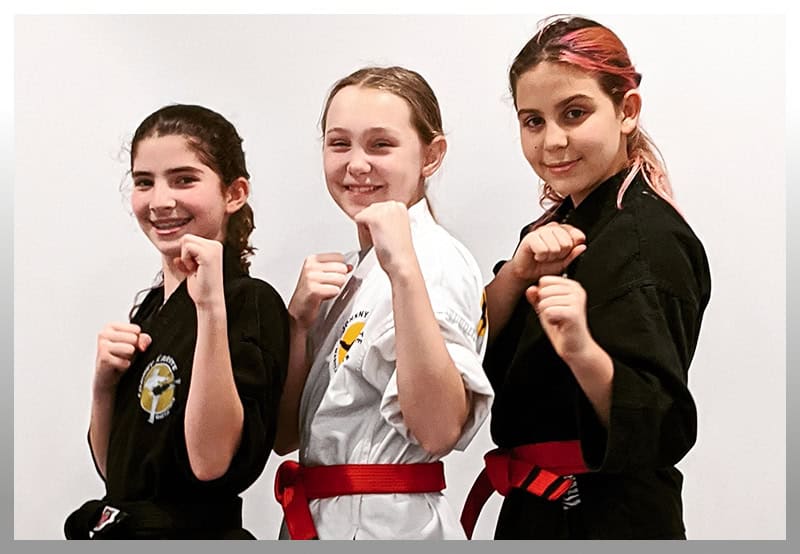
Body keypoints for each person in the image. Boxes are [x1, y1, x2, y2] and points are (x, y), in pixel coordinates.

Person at [460, 16, 711, 539]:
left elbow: (661, 423)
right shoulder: (552, 230)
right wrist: (518, 274)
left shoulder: (648, 239)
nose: (553, 141)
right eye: (533, 121)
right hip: (538, 509)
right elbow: (466, 353)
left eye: (574, 113)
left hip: (606, 519)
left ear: (627, 110)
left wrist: (581, 348)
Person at [273, 66, 494, 540]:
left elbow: (438, 432)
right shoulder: (353, 271)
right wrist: (297, 324)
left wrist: (406, 274)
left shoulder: (432, 262)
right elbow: (285, 437)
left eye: (380, 145)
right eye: (339, 144)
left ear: (431, 155)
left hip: (383, 524)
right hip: (330, 515)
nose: (356, 164)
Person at [64, 104, 289, 539]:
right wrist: (103, 386)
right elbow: (117, 474)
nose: (160, 201)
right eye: (144, 182)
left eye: (184, 179)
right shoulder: (150, 311)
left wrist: (209, 310)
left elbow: (210, 463)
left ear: (234, 193)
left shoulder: (249, 302)